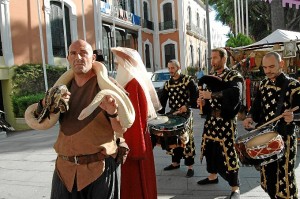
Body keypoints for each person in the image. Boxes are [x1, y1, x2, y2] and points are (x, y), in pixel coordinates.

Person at [25, 39, 132, 199]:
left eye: (83, 53)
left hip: (100, 169)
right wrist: (46, 102)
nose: (78, 57)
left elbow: (121, 129)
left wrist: (112, 113)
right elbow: (40, 119)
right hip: (65, 169)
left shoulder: (109, 86)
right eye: (73, 53)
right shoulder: (59, 90)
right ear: (68, 58)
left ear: (93, 58)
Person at [243, 51, 300, 199]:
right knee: (268, 177)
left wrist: (294, 116)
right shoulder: (263, 84)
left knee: (284, 178)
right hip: (265, 137)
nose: (268, 71)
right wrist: (250, 117)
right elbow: (256, 106)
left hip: (285, 138)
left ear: (281, 64)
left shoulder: (294, 86)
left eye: (271, 67)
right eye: (265, 68)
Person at [111, 47, 160, 199]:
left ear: (125, 64)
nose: (116, 68)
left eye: (117, 64)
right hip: (135, 139)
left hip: (133, 142)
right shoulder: (130, 83)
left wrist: (133, 150)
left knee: (135, 184)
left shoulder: (133, 85)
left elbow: (135, 122)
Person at [197, 48, 243, 199]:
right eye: (211, 58)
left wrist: (213, 95)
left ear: (224, 59)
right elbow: (209, 100)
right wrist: (203, 101)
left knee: (229, 151)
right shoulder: (212, 77)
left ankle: (235, 188)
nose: (212, 61)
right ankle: (212, 176)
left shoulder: (234, 76)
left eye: (215, 58)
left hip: (226, 122)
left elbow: (235, 93)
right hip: (211, 120)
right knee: (210, 149)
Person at [157, 59, 198, 178]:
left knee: (186, 139)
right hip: (173, 114)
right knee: (173, 138)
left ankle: (190, 166)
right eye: (169, 68)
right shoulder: (168, 83)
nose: (170, 71)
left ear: (178, 68)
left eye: (172, 68)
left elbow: (195, 95)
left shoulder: (187, 80)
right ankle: (175, 163)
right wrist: (159, 114)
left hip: (185, 114)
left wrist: (187, 105)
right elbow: (162, 100)